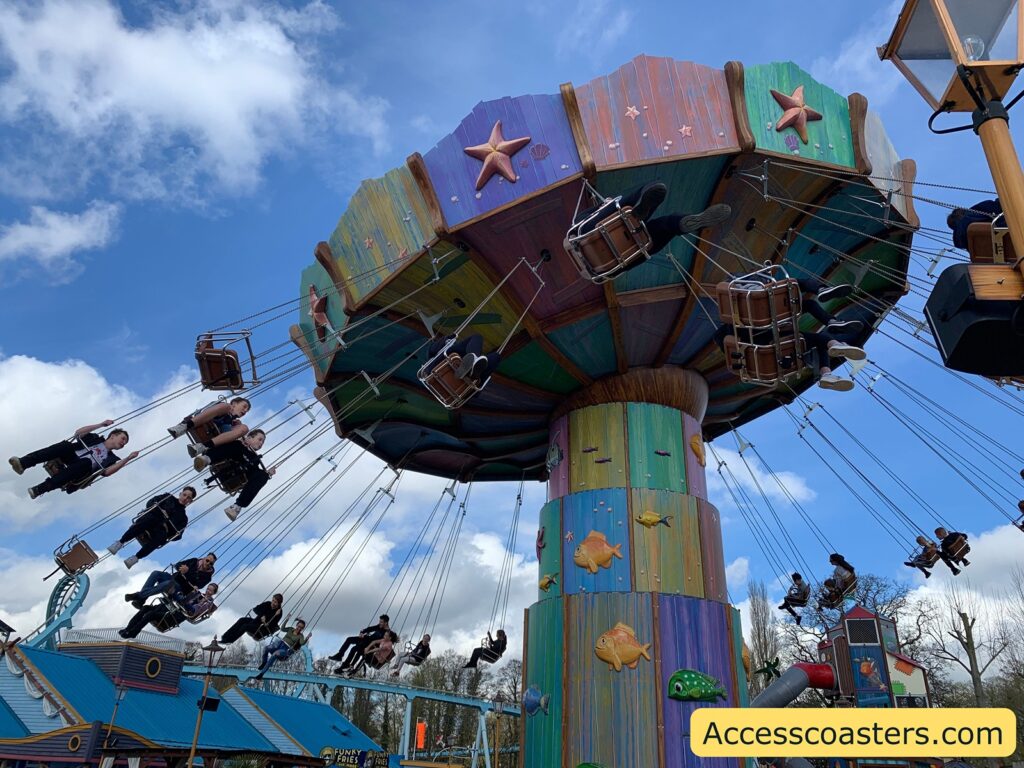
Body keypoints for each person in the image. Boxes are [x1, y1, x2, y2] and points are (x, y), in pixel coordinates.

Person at [571, 181, 732, 275]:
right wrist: (605, 202)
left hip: (616, 261)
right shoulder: (575, 229)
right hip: (591, 232)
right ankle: (643, 197)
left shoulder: (597, 275)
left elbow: (612, 275)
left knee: (657, 235)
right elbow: (597, 211)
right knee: (626, 204)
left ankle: (676, 223)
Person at [713, 323, 865, 392]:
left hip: (766, 361)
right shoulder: (745, 331)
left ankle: (828, 370)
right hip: (774, 347)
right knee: (818, 339)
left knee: (817, 344)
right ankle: (832, 353)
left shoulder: (737, 352)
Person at [9, 422, 139, 499]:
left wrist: (127, 459)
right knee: (66, 445)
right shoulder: (94, 438)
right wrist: (100, 424)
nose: (124, 443)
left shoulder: (111, 458)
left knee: (86, 463)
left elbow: (106, 472)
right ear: (113, 436)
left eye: (125, 443)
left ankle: (40, 489)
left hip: (81, 470)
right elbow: (78, 433)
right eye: (123, 439)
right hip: (71, 456)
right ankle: (23, 463)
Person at [192, 429, 275, 521]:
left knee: (262, 475)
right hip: (229, 459)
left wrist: (267, 474)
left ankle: (236, 507)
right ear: (249, 437)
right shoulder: (239, 443)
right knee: (236, 445)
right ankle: (206, 459)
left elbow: (256, 474)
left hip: (240, 472)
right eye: (260, 439)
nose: (261, 443)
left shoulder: (255, 459)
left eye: (263, 442)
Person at [107, 487, 196, 568]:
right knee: (149, 519)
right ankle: (120, 542)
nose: (185, 498)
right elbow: (151, 502)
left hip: (160, 531)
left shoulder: (183, 518)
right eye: (184, 495)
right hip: (152, 519)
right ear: (180, 494)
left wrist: (167, 527)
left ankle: (136, 557)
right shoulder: (167, 497)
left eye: (188, 498)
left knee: (161, 536)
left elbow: (178, 535)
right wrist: (160, 514)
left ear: (190, 501)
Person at [118, 583, 218, 639]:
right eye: (208, 589)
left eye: (210, 590)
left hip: (174, 617)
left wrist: (200, 602)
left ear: (213, 593)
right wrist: (191, 592)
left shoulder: (207, 604)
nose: (207, 591)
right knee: (145, 608)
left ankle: (133, 632)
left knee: (150, 614)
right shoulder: (197, 594)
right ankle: (128, 629)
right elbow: (183, 600)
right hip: (171, 609)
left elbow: (192, 611)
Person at [124, 553, 217, 609]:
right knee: (156, 573)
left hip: (180, 588)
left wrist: (187, 572)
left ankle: (138, 596)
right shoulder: (194, 561)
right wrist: (181, 568)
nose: (208, 563)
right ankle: (141, 600)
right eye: (207, 560)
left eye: (211, 563)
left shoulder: (207, 577)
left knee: (167, 584)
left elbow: (197, 585)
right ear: (204, 558)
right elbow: (178, 565)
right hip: (173, 578)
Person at [167, 398, 252, 456]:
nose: (245, 411)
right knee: (225, 406)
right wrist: (228, 413)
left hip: (219, 437)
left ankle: (203, 446)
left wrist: (235, 424)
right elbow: (207, 410)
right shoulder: (225, 406)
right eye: (244, 407)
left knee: (244, 428)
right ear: (234, 403)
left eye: (246, 411)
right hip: (208, 420)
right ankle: (184, 426)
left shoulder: (235, 424)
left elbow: (231, 434)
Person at [426, 333, 500, 388]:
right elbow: (432, 350)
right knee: (477, 337)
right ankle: (473, 364)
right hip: (445, 364)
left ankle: (473, 365)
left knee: (496, 357)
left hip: (462, 389)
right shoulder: (428, 367)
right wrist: (448, 338)